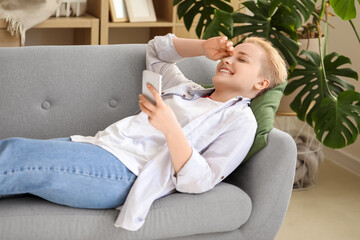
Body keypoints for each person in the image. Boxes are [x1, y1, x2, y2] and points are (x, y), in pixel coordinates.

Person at [0, 34, 287, 230]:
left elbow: (201, 180)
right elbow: (157, 51)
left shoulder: (241, 121)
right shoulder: (186, 90)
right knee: (11, 154)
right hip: (97, 148)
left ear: (261, 83)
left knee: (14, 155)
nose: (228, 60)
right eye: (230, 54)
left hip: (125, 171)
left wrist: (171, 128)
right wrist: (202, 46)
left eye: (242, 59)